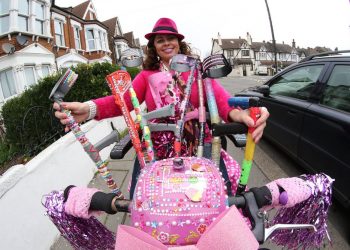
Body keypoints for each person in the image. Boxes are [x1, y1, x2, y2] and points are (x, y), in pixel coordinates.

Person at [54, 17, 269, 198]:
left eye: (170, 38)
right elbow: (122, 101)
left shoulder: (198, 70)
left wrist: (240, 115)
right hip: (156, 148)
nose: (166, 43)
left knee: (218, 195)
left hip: (199, 143)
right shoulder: (146, 75)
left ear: (179, 42)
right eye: (160, 40)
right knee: (142, 197)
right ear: (154, 47)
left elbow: (221, 102)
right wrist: (88, 108)